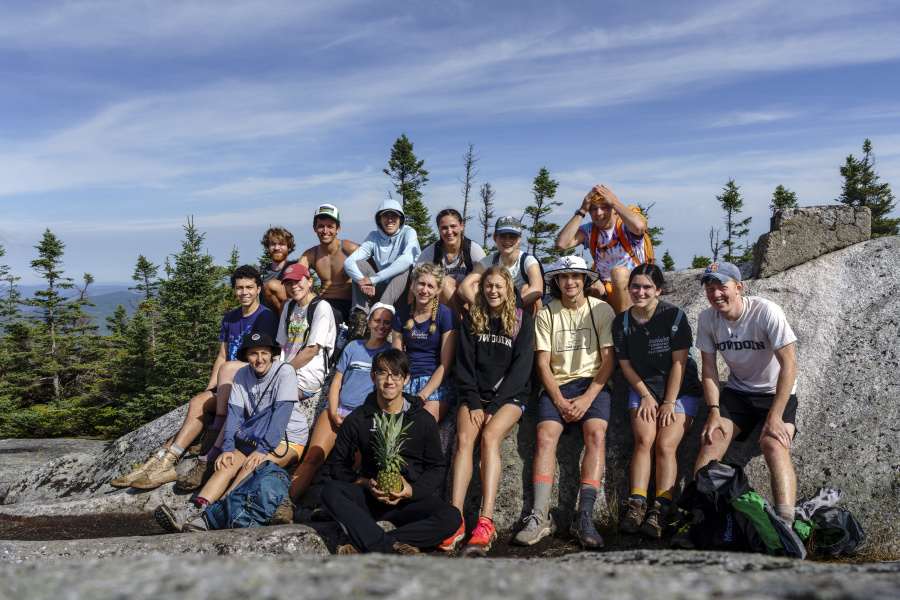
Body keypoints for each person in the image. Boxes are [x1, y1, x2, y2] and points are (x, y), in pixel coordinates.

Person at [110, 265, 278, 490]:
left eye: (249, 287)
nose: (244, 292)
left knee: (221, 381)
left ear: (258, 289)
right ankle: (163, 462)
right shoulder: (230, 318)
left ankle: (167, 460)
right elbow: (221, 356)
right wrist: (210, 390)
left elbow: (261, 359)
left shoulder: (265, 317)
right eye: (239, 288)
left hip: (250, 383)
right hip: (228, 381)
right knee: (198, 402)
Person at [154, 331, 305, 533]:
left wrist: (263, 450)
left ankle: (213, 517)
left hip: (288, 439)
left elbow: (281, 416)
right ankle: (193, 511)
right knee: (226, 465)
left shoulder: (284, 372)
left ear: (272, 353)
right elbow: (234, 414)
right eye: (253, 354)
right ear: (246, 356)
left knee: (250, 467)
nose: (259, 359)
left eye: (264, 353)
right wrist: (226, 448)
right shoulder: (242, 374)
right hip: (254, 437)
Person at [514, 255, 615, 549]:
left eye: (576, 276)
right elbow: (542, 364)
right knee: (545, 437)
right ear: (556, 281)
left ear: (585, 280)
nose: (570, 282)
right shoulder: (547, 314)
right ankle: (540, 515)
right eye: (564, 277)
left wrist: (587, 398)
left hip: (593, 383)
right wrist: (558, 400)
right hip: (557, 384)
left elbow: (608, 362)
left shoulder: (602, 309)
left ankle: (584, 516)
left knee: (596, 434)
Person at [320, 349, 462, 555]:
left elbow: (436, 467)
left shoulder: (423, 419)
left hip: (409, 501)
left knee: (452, 516)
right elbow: (338, 466)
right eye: (383, 373)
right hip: (371, 496)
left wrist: (412, 491)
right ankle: (390, 546)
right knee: (331, 491)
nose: (389, 380)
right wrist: (366, 484)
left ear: (406, 379)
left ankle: (372, 543)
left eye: (396, 374)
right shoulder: (358, 418)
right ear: (373, 377)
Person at [692, 262, 799, 527]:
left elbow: (790, 365)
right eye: (710, 288)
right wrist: (714, 411)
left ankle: (785, 522)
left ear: (738, 287)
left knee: (774, 444)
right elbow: (708, 368)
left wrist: (774, 416)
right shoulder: (708, 319)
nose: (716, 294)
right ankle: (698, 517)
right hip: (738, 392)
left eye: (722, 287)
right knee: (712, 439)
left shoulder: (765, 311)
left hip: (774, 392)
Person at [270, 302, 395, 525]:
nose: (381, 326)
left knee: (355, 466)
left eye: (387, 322)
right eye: (377, 320)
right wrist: (334, 411)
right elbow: (336, 383)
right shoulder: (353, 347)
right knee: (313, 456)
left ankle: (330, 505)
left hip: (364, 418)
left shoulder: (389, 354)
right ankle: (285, 504)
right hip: (337, 410)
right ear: (368, 322)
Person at [441, 265, 535, 554]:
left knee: (489, 437)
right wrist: (473, 402)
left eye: (499, 286)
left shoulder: (522, 320)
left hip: (509, 397)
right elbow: (464, 367)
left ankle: (486, 521)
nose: (493, 291)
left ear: (508, 290)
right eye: (488, 286)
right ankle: (454, 520)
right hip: (474, 396)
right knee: (464, 440)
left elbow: (521, 371)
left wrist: (493, 406)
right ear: (481, 289)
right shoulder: (472, 319)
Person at [613, 264, 704, 539]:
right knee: (644, 440)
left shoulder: (674, 316)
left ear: (659, 290)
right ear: (628, 288)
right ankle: (637, 504)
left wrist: (668, 401)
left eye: (647, 287)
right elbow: (625, 365)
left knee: (666, 444)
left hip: (680, 390)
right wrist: (645, 395)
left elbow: (679, 363)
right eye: (635, 286)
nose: (640, 292)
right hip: (644, 389)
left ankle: (661, 508)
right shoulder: (623, 322)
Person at [555, 185, 648, 314]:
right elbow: (562, 243)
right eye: (593, 209)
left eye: (604, 207)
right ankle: (598, 325)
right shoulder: (590, 229)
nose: (599, 213)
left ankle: (622, 327)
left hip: (633, 285)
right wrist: (582, 209)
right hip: (603, 287)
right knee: (584, 278)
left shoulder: (625, 225)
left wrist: (614, 202)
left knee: (618, 272)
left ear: (614, 209)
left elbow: (639, 227)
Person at [343, 199, 421, 338]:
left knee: (402, 264)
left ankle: (382, 315)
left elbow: (408, 259)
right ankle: (360, 319)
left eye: (394, 216)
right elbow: (349, 262)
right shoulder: (374, 237)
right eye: (386, 216)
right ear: (379, 219)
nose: (390, 220)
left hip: (406, 292)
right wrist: (363, 282)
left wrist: (373, 279)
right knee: (360, 264)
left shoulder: (409, 233)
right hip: (382, 290)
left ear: (401, 219)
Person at [391, 263, 458, 423]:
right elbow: (397, 359)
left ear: (438, 290)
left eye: (430, 286)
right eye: (421, 284)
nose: (424, 290)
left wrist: (423, 394)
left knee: (419, 425)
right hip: (407, 379)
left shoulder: (446, 315)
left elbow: (446, 364)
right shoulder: (401, 315)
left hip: (435, 383)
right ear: (413, 285)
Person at [459, 216, 543, 317]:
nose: (507, 241)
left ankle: (525, 330)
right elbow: (464, 287)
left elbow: (537, 290)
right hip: (494, 308)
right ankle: (478, 325)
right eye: (502, 236)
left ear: (519, 239)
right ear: (495, 238)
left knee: (527, 288)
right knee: (475, 286)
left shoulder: (527, 261)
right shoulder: (490, 260)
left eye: (512, 237)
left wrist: (507, 307)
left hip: (519, 309)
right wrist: (481, 307)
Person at [414, 208, 486, 317]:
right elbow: (415, 284)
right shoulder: (431, 253)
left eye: (453, 226)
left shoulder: (473, 250)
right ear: (438, 229)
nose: (449, 232)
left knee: (475, 285)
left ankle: (476, 324)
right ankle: (459, 326)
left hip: (470, 300)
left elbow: (486, 282)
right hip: (439, 302)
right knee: (444, 283)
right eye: (444, 228)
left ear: (462, 226)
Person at [297, 204, 360, 325]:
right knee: (288, 304)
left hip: (346, 304)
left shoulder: (349, 249)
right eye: (321, 226)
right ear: (314, 228)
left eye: (330, 226)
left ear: (338, 229)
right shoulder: (311, 254)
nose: (325, 231)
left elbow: (373, 270)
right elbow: (295, 276)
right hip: (321, 302)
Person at [258, 227, 297, 316]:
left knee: (271, 285)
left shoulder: (296, 268)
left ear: (289, 247)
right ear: (268, 247)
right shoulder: (260, 272)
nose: (276, 248)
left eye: (281, 244)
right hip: (268, 323)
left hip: (296, 320)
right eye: (273, 244)